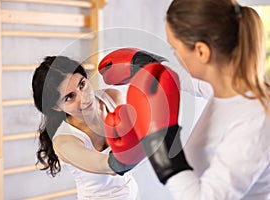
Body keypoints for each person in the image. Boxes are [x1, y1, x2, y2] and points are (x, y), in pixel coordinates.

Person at [98, 0, 270, 199]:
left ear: (201, 52)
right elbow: (189, 81)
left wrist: (162, 146)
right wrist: (149, 65)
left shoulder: (254, 120)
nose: (175, 55)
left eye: (174, 48)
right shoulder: (229, 89)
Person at [31, 55, 142, 200]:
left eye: (82, 84)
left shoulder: (112, 98)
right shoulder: (65, 142)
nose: (84, 97)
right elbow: (112, 166)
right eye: (70, 97)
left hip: (133, 194)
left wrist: (148, 73)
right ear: (56, 107)